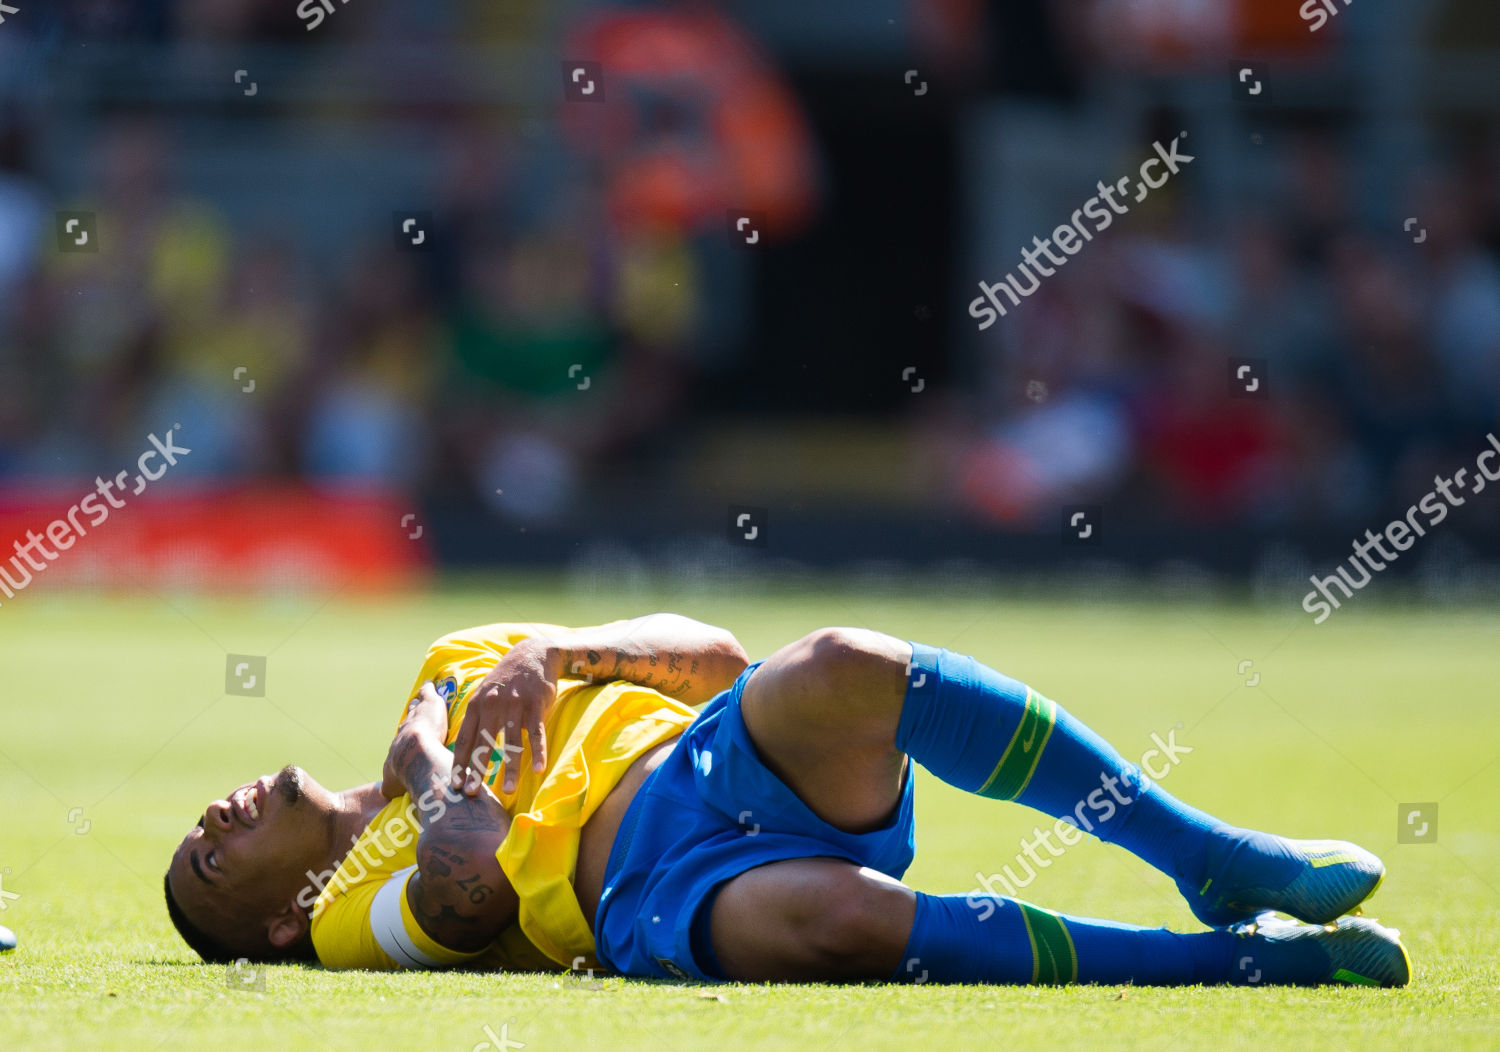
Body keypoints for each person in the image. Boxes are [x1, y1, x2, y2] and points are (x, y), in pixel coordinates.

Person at [164, 615, 1409, 986]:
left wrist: (560, 655)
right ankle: (1234, 965)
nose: (210, 820)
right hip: (660, 891)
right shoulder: (341, 916)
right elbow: (470, 887)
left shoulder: (453, 658)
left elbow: (709, 653)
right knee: (838, 924)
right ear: (279, 922)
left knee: (846, 665)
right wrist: (434, 768)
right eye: (209, 863)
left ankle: (1207, 853)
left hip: (716, 755)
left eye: (197, 826)